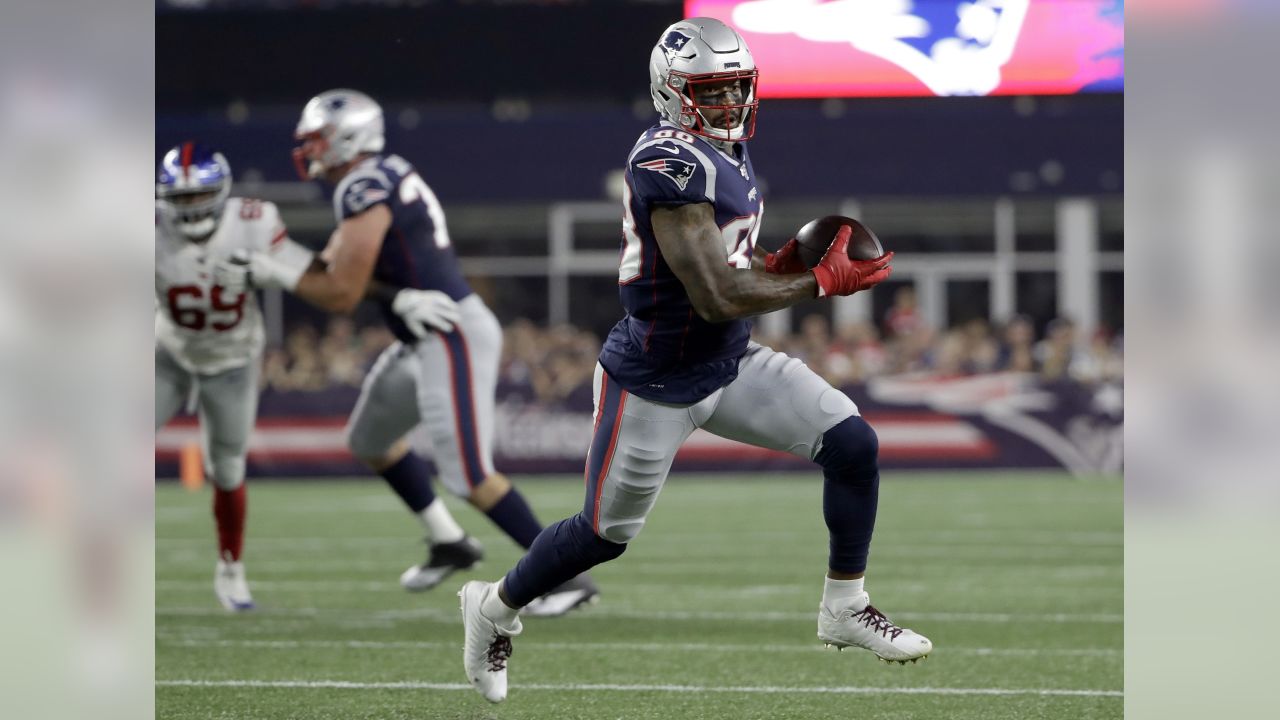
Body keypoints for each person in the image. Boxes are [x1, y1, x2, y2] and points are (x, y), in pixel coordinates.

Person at [459, 18, 932, 703]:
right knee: (603, 535)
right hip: (655, 377)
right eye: (713, 91)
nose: (731, 104)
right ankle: (493, 606)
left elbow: (730, 264)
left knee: (853, 443)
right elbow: (713, 295)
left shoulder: (724, 150)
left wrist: (778, 265)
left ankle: (843, 606)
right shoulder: (668, 162)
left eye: (738, 87)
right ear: (672, 93)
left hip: (728, 362)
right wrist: (819, 281)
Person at [214, 90, 596, 615]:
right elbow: (342, 270)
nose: (309, 150)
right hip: (420, 333)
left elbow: (341, 292)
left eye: (317, 140)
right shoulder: (380, 176)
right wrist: (393, 294)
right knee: (370, 437)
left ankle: (564, 579)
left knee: (468, 475)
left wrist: (273, 270)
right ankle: (448, 541)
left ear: (348, 139)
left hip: (449, 330)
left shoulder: (362, 186)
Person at [154, 143, 317, 611]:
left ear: (220, 192)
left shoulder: (253, 220)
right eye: (178, 197)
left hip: (233, 358)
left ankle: (231, 569)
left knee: (226, 468)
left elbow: (306, 270)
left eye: (197, 195)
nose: (188, 206)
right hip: (166, 352)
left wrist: (270, 273)